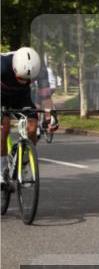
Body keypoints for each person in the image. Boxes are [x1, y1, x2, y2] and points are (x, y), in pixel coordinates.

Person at [1, 47, 58, 179]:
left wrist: (51, 117)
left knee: (33, 127)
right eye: (20, 78)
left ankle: (23, 161)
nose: (23, 81)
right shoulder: (2, 65)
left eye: (27, 79)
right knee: (4, 127)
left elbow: (46, 97)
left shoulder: (39, 69)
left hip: (22, 96)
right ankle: (1, 170)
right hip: (1, 95)